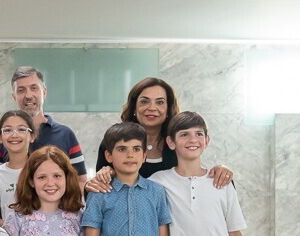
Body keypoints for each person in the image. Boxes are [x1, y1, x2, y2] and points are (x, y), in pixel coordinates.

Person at [90, 77, 233, 187]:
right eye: (144, 101)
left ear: (168, 108)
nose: (152, 108)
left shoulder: (178, 140)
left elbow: (194, 173)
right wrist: (102, 177)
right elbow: (98, 187)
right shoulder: (115, 139)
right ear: (134, 107)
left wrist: (220, 170)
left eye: (160, 102)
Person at [0, 67, 87, 185]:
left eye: (34, 88)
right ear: (14, 97)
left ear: (44, 92)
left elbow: (80, 180)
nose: (28, 95)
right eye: (21, 90)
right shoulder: (6, 137)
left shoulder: (65, 134)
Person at [0, 110, 35, 211]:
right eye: (8, 130)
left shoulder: (41, 170)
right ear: (0, 138)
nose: (14, 135)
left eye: (21, 129)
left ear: (32, 136)